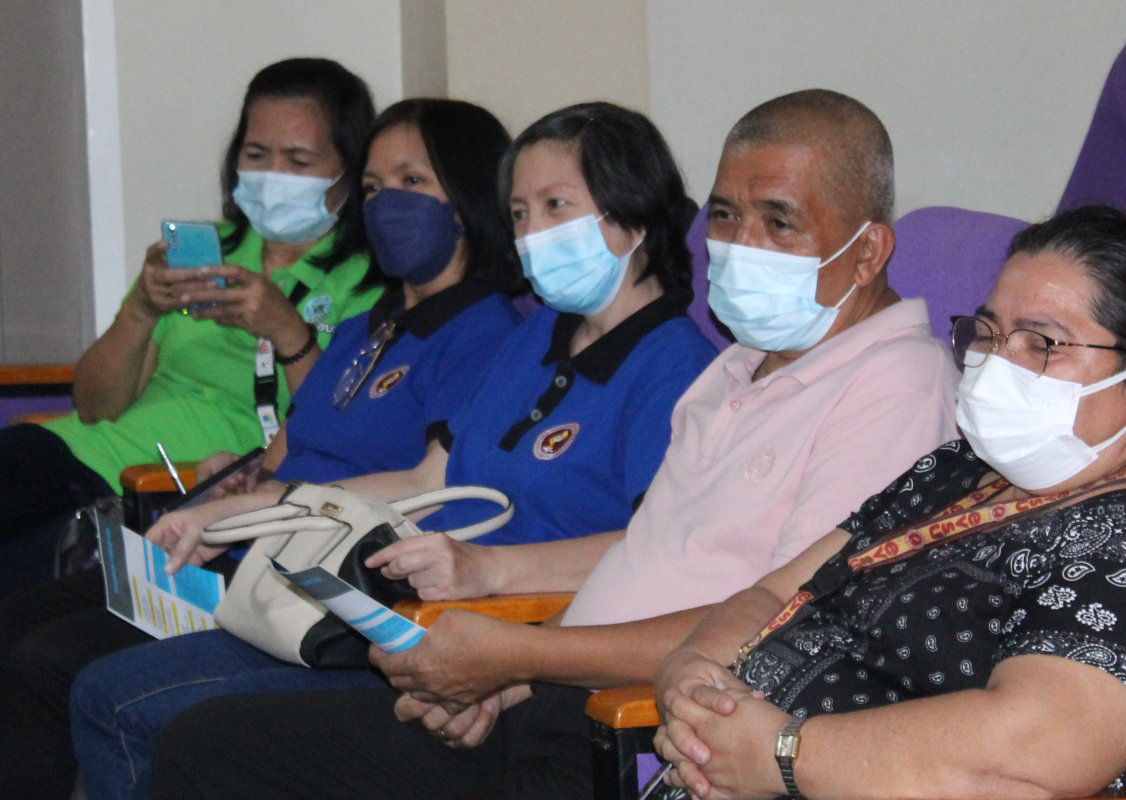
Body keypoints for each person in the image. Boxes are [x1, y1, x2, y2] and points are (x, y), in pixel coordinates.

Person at [128, 90, 961, 800]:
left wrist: (520, 653)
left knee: (211, 750)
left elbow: (786, 628)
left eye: (779, 222)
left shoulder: (896, 383)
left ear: (867, 251)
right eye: (727, 216)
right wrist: (508, 680)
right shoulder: (740, 367)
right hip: (552, 687)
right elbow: (640, 561)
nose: (741, 246)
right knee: (211, 739)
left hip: (631, 730)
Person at [70, 100, 717, 800]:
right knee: (117, 691)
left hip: (517, 648)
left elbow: (654, 553)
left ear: (634, 214)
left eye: (556, 206)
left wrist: (488, 579)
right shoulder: (538, 336)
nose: (533, 233)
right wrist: (246, 509)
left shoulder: (677, 367)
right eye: (520, 213)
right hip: (411, 622)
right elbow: (424, 480)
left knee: (182, 731)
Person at [0, 96, 521, 800]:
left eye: (412, 183)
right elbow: (292, 445)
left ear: (468, 199)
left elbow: (433, 484)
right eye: (372, 188)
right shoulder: (370, 325)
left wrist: (261, 504)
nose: (385, 204)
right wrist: (240, 479)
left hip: (313, 584)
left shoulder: (486, 333)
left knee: (60, 666)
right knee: (18, 625)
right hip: (244, 555)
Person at [650, 205, 1126, 799]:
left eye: (1041, 343)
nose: (997, 363)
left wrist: (780, 755)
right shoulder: (957, 469)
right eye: (988, 333)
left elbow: (1026, 752)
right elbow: (778, 592)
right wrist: (691, 674)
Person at [0, 57, 382, 592]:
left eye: (298, 161)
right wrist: (141, 309)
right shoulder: (209, 253)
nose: (272, 176)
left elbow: (343, 435)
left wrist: (285, 328)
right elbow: (94, 406)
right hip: (71, 457)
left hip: (157, 493)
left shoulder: (369, 285)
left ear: (352, 170)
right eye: (256, 155)